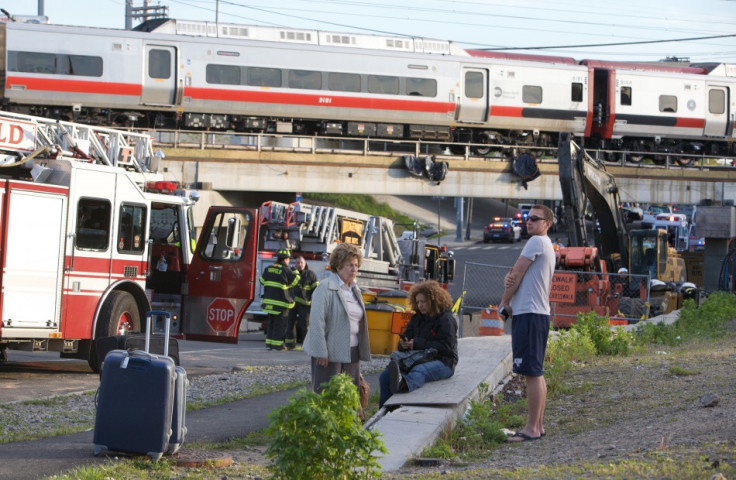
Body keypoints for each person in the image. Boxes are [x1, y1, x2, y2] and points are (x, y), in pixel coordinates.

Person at [500, 204, 555, 442]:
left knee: (531, 373)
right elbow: (515, 273)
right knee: (536, 372)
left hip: (530, 313)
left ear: (547, 223)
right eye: (527, 218)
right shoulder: (545, 244)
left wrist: (504, 302)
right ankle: (538, 426)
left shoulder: (536, 242)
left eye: (535, 218)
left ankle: (532, 428)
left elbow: (518, 271)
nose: (529, 221)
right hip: (537, 313)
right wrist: (512, 275)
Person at [303, 243, 371, 394]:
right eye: (349, 265)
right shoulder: (325, 287)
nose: (354, 269)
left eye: (356, 265)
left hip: (352, 352)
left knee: (349, 396)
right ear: (339, 266)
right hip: (329, 353)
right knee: (327, 395)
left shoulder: (355, 289)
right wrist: (320, 350)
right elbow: (316, 321)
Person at [378, 280, 458, 408]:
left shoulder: (446, 319)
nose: (420, 305)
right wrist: (403, 344)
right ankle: (384, 411)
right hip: (418, 357)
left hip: (444, 362)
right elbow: (406, 338)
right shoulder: (417, 318)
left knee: (419, 371)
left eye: (423, 302)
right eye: (418, 302)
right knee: (384, 376)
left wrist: (416, 344)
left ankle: (403, 384)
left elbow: (446, 347)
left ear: (433, 300)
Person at [260, 249, 299, 351]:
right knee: (280, 325)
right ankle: (278, 345)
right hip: (281, 303)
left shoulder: (268, 268)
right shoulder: (286, 270)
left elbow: (262, 280)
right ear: (285, 259)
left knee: (271, 323)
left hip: (269, 302)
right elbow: (294, 282)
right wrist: (295, 272)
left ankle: (269, 344)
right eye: (288, 259)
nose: (289, 261)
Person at [285, 255, 319, 350]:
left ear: (305, 264)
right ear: (295, 264)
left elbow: (316, 289)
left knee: (305, 325)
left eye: (301, 263)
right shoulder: (291, 273)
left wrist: (313, 301)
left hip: (305, 304)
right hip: (292, 303)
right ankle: (290, 344)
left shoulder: (310, 274)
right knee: (290, 323)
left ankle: (307, 345)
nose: (299, 264)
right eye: (297, 263)